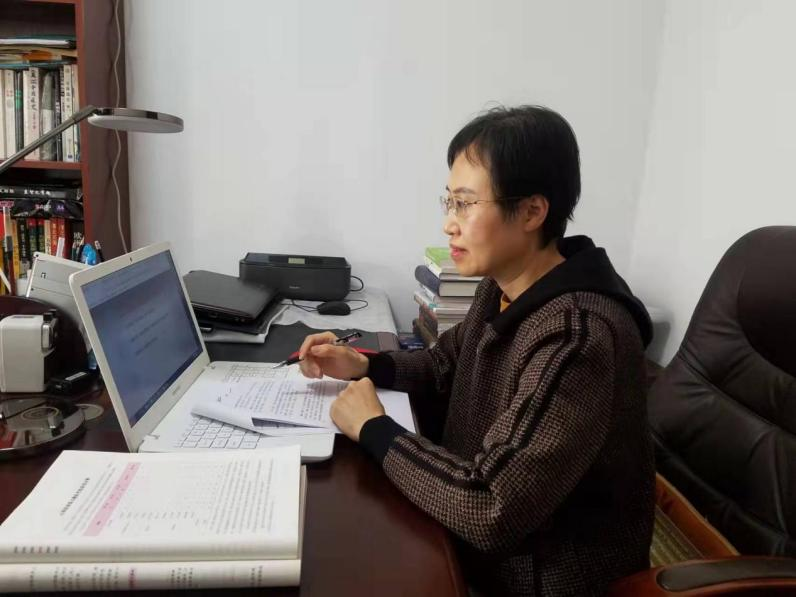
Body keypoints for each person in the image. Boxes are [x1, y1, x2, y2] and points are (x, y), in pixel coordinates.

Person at [297, 105, 655, 596]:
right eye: (449, 202)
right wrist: (365, 364)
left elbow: (491, 506)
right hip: (471, 538)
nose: (449, 223)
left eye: (465, 204)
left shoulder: (577, 336)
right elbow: (445, 364)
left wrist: (375, 429)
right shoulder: (504, 286)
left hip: (538, 576)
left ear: (532, 212)